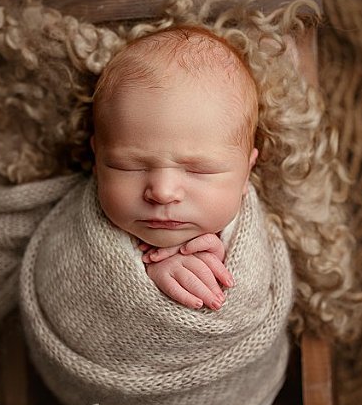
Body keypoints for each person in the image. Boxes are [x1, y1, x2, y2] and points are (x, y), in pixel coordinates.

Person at [91, 25, 260, 311]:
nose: (163, 192)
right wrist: (144, 275)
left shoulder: (251, 239)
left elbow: (253, 301)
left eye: (199, 170)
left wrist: (220, 266)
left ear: (246, 173)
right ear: (97, 162)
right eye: (129, 167)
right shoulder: (83, 228)